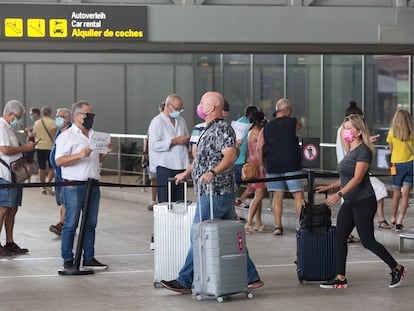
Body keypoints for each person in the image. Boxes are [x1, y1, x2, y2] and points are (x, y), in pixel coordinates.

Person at [160, 91, 264, 294]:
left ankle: (184, 280)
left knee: (197, 234)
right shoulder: (209, 129)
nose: (199, 106)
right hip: (215, 192)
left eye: (202, 103)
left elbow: (231, 155)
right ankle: (252, 277)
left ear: (211, 108)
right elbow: (203, 158)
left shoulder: (222, 129)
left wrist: (213, 172)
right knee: (232, 236)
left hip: (215, 192)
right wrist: (186, 172)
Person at [316, 114, 407, 289]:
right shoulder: (350, 151)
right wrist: (330, 187)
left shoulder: (364, 150)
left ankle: (397, 268)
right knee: (340, 238)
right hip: (350, 201)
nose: (345, 131)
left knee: (367, 241)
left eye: (349, 128)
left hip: (363, 201)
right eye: (344, 127)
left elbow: (357, 178)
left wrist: (339, 194)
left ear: (358, 131)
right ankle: (340, 278)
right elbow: (346, 177)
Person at [55, 100, 112, 271]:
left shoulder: (94, 135)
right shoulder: (66, 136)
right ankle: (67, 258)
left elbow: (96, 160)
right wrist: (79, 155)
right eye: (87, 114)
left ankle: (89, 257)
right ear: (77, 116)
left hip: (93, 184)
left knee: (90, 223)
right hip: (74, 185)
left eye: (91, 114)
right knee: (71, 222)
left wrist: (105, 153)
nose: (90, 117)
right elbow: (59, 161)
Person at [336, 101, 391, 233]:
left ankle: (380, 219)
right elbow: (351, 153)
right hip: (352, 173)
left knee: (365, 239)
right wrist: (364, 142)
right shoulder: (346, 132)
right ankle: (381, 219)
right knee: (379, 188)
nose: (346, 131)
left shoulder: (361, 148)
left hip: (355, 183)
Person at [257, 98, 304, 236]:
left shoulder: (267, 127)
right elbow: (299, 127)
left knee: (277, 195)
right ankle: (303, 224)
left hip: (273, 164)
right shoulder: (293, 122)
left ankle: (278, 227)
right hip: (291, 164)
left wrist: (261, 165)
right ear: (288, 110)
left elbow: (259, 147)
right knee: (297, 194)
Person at [0, 100, 36, 256]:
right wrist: (25, 148)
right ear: (9, 114)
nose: (19, 121)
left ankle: (9, 242)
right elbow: (5, 149)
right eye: (18, 117)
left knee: (12, 209)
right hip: (5, 176)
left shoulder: (8, 128)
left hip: (14, 176)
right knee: (3, 209)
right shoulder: (1, 127)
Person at [148, 94, 190, 203]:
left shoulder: (181, 121)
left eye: (181, 109)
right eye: (176, 109)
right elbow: (154, 145)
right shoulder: (157, 122)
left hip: (181, 166)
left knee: (180, 202)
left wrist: (187, 141)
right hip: (165, 166)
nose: (178, 111)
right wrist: (174, 141)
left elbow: (185, 138)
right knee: (165, 202)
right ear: (167, 105)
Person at [244, 111, 272, 234]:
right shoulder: (259, 132)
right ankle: (249, 223)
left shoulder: (250, 132)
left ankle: (258, 223)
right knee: (259, 195)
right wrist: (261, 165)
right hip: (258, 166)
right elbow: (260, 149)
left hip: (252, 164)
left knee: (258, 195)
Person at [386, 109, 413, 232]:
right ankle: (399, 221)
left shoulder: (391, 133)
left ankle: (392, 218)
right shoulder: (412, 132)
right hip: (410, 164)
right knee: (405, 194)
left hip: (396, 165)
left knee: (396, 194)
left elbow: (391, 150)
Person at [49, 108, 72, 236]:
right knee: (63, 200)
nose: (57, 118)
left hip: (66, 173)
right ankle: (62, 223)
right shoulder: (59, 131)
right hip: (59, 173)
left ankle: (63, 224)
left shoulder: (71, 132)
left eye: (60, 116)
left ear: (68, 118)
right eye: (56, 116)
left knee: (67, 200)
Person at [233, 105, 259, 208]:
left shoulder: (238, 122)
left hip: (233, 159)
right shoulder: (250, 126)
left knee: (235, 186)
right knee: (252, 185)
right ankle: (238, 202)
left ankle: (237, 202)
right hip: (242, 160)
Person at [143, 101, 165, 211]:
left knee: (160, 179)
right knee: (154, 178)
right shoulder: (156, 122)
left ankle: (161, 200)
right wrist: (145, 153)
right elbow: (147, 139)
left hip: (164, 157)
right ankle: (153, 199)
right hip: (154, 156)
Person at [34, 106, 57, 195]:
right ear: (50, 113)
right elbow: (54, 136)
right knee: (52, 167)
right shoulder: (52, 122)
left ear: (42, 113)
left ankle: (42, 186)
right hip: (49, 147)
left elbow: (35, 134)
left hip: (39, 147)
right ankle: (49, 183)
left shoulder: (37, 123)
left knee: (41, 167)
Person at [23, 107, 40, 182]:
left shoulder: (38, 123)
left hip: (33, 145)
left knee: (29, 162)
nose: (31, 116)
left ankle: (28, 179)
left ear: (36, 114)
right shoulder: (35, 123)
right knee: (30, 162)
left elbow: (32, 135)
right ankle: (28, 178)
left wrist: (28, 131)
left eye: (32, 114)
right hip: (31, 144)